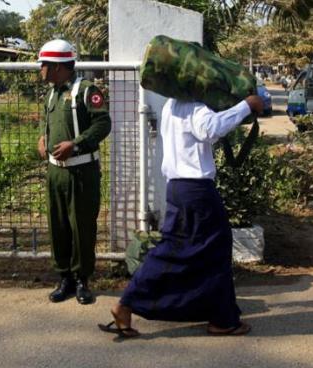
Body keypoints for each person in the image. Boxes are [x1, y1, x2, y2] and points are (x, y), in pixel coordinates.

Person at [99, 94, 263, 337]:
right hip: (197, 190)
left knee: (178, 248)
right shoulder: (195, 107)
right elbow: (212, 128)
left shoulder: (171, 105)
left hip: (177, 187)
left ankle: (129, 303)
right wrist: (246, 106)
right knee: (215, 249)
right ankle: (222, 319)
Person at [37, 39, 111, 305]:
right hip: (56, 173)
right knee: (58, 226)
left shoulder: (86, 91)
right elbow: (50, 122)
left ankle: (82, 280)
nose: (41, 70)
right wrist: (42, 139)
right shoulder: (52, 93)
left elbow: (103, 124)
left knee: (81, 227)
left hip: (81, 173)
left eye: (44, 64)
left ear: (58, 66)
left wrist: (75, 144)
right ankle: (64, 278)